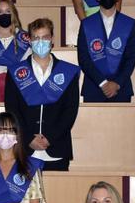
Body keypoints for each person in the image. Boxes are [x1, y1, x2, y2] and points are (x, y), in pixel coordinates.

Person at [5, 17, 81, 171]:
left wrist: (50, 137)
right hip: (26, 150)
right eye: (36, 38)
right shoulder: (15, 72)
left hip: (57, 149)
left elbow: (70, 111)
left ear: (52, 39)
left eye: (45, 37)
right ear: (30, 41)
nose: (41, 42)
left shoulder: (68, 72)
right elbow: (12, 109)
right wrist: (28, 138)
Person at [77, 0, 135, 103]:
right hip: (94, 87)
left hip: (121, 88)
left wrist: (117, 83)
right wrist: (103, 82)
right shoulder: (86, 24)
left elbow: (131, 57)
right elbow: (83, 58)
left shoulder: (128, 23)